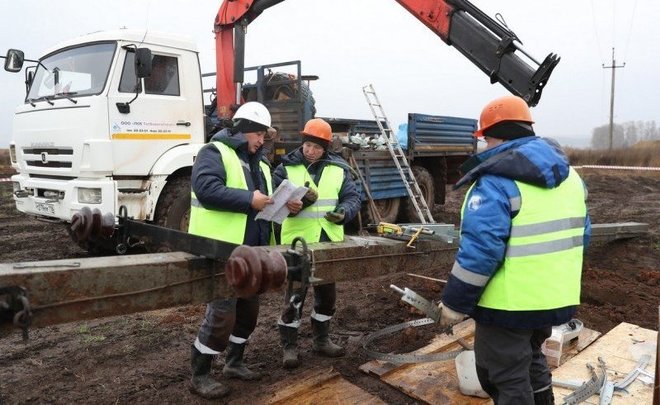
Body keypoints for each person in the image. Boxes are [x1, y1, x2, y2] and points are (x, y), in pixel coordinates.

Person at [437, 95, 591, 405]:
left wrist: (455, 302)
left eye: (486, 139)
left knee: (502, 376)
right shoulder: (571, 178)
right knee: (531, 363)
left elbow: (481, 251)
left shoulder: (496, 182)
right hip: (553, 296)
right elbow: (583, 236)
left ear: (494, 136)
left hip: (508, 306)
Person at [187, 101, 274, 399]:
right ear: (243, 129)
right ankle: (200, 374)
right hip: (221, 249)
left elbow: (265, 202)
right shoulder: (214, 152)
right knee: (222, 315)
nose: (262, 140)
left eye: (264, 135)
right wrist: (250, 199)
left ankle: (234, 363)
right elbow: (207, 189)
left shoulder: (261, 163)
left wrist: (284, 203)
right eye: (259, 133)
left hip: (252, 253)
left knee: (249, 313)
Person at [274, 118, 361, 369]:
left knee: (327, 296)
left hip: (327, 240)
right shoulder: (285, 169)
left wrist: (344, 212)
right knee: (295, 296)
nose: (310, 151)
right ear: (302, 143)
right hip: (298, 241)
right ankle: (289, 346)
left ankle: (321, 340)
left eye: (317, 147)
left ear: (326, 148)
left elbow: (352, 197)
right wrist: (291, 207)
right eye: (307, 145)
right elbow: (274, 205)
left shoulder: (339, 169)